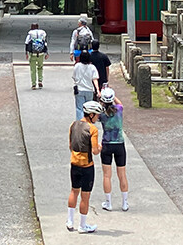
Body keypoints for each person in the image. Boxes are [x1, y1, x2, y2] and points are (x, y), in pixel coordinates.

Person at [67, 100, 103, 234]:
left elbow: (70, 146)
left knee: (73, 191)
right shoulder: (92, 129)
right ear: (91, 114)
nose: (98, 117)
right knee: (85, 195)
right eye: (97, 115)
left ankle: (70, 221)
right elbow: (94, 151)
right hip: (87, 166)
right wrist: (99, 148)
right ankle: (82, 225)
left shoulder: (73, 125)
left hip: (74, 164)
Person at [98, 87, 129, 212]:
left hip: (107, 144)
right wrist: (112, 92)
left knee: (107, 175)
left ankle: (108, 202)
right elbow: (119, 103)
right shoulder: (119, 110)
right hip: (119, 144)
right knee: (122, 174)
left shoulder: (101, 114)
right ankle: (125, 203)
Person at [73, 50, 100, 120]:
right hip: (89, 90)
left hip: (79, 90)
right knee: (88, 108)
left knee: (79, 108)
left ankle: (80, 123)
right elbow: (95, 79)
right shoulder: (92, 67)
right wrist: (97, 90)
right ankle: (88, 123)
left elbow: (74, 77)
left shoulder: (77, 66)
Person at [24, 22, 48, 89]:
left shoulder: (30, 33)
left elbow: (26, 43)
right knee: (40, 67)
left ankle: (33, 84)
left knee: (33, 69)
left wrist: (26, 53)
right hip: (41, 53)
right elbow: (45, 43)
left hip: (33, 54)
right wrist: (46, 53)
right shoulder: (42, 33)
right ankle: (40, 81)